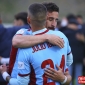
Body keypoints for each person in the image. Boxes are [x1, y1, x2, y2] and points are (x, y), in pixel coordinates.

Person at [0, 3, 72, 85]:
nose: (54, 24)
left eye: (56, 20)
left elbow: (67, 69)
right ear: (45, 18)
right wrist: (47, 37)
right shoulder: (24, 33)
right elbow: (16, 41)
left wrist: (63, 79)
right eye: (50, 19)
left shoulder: (59, 37)